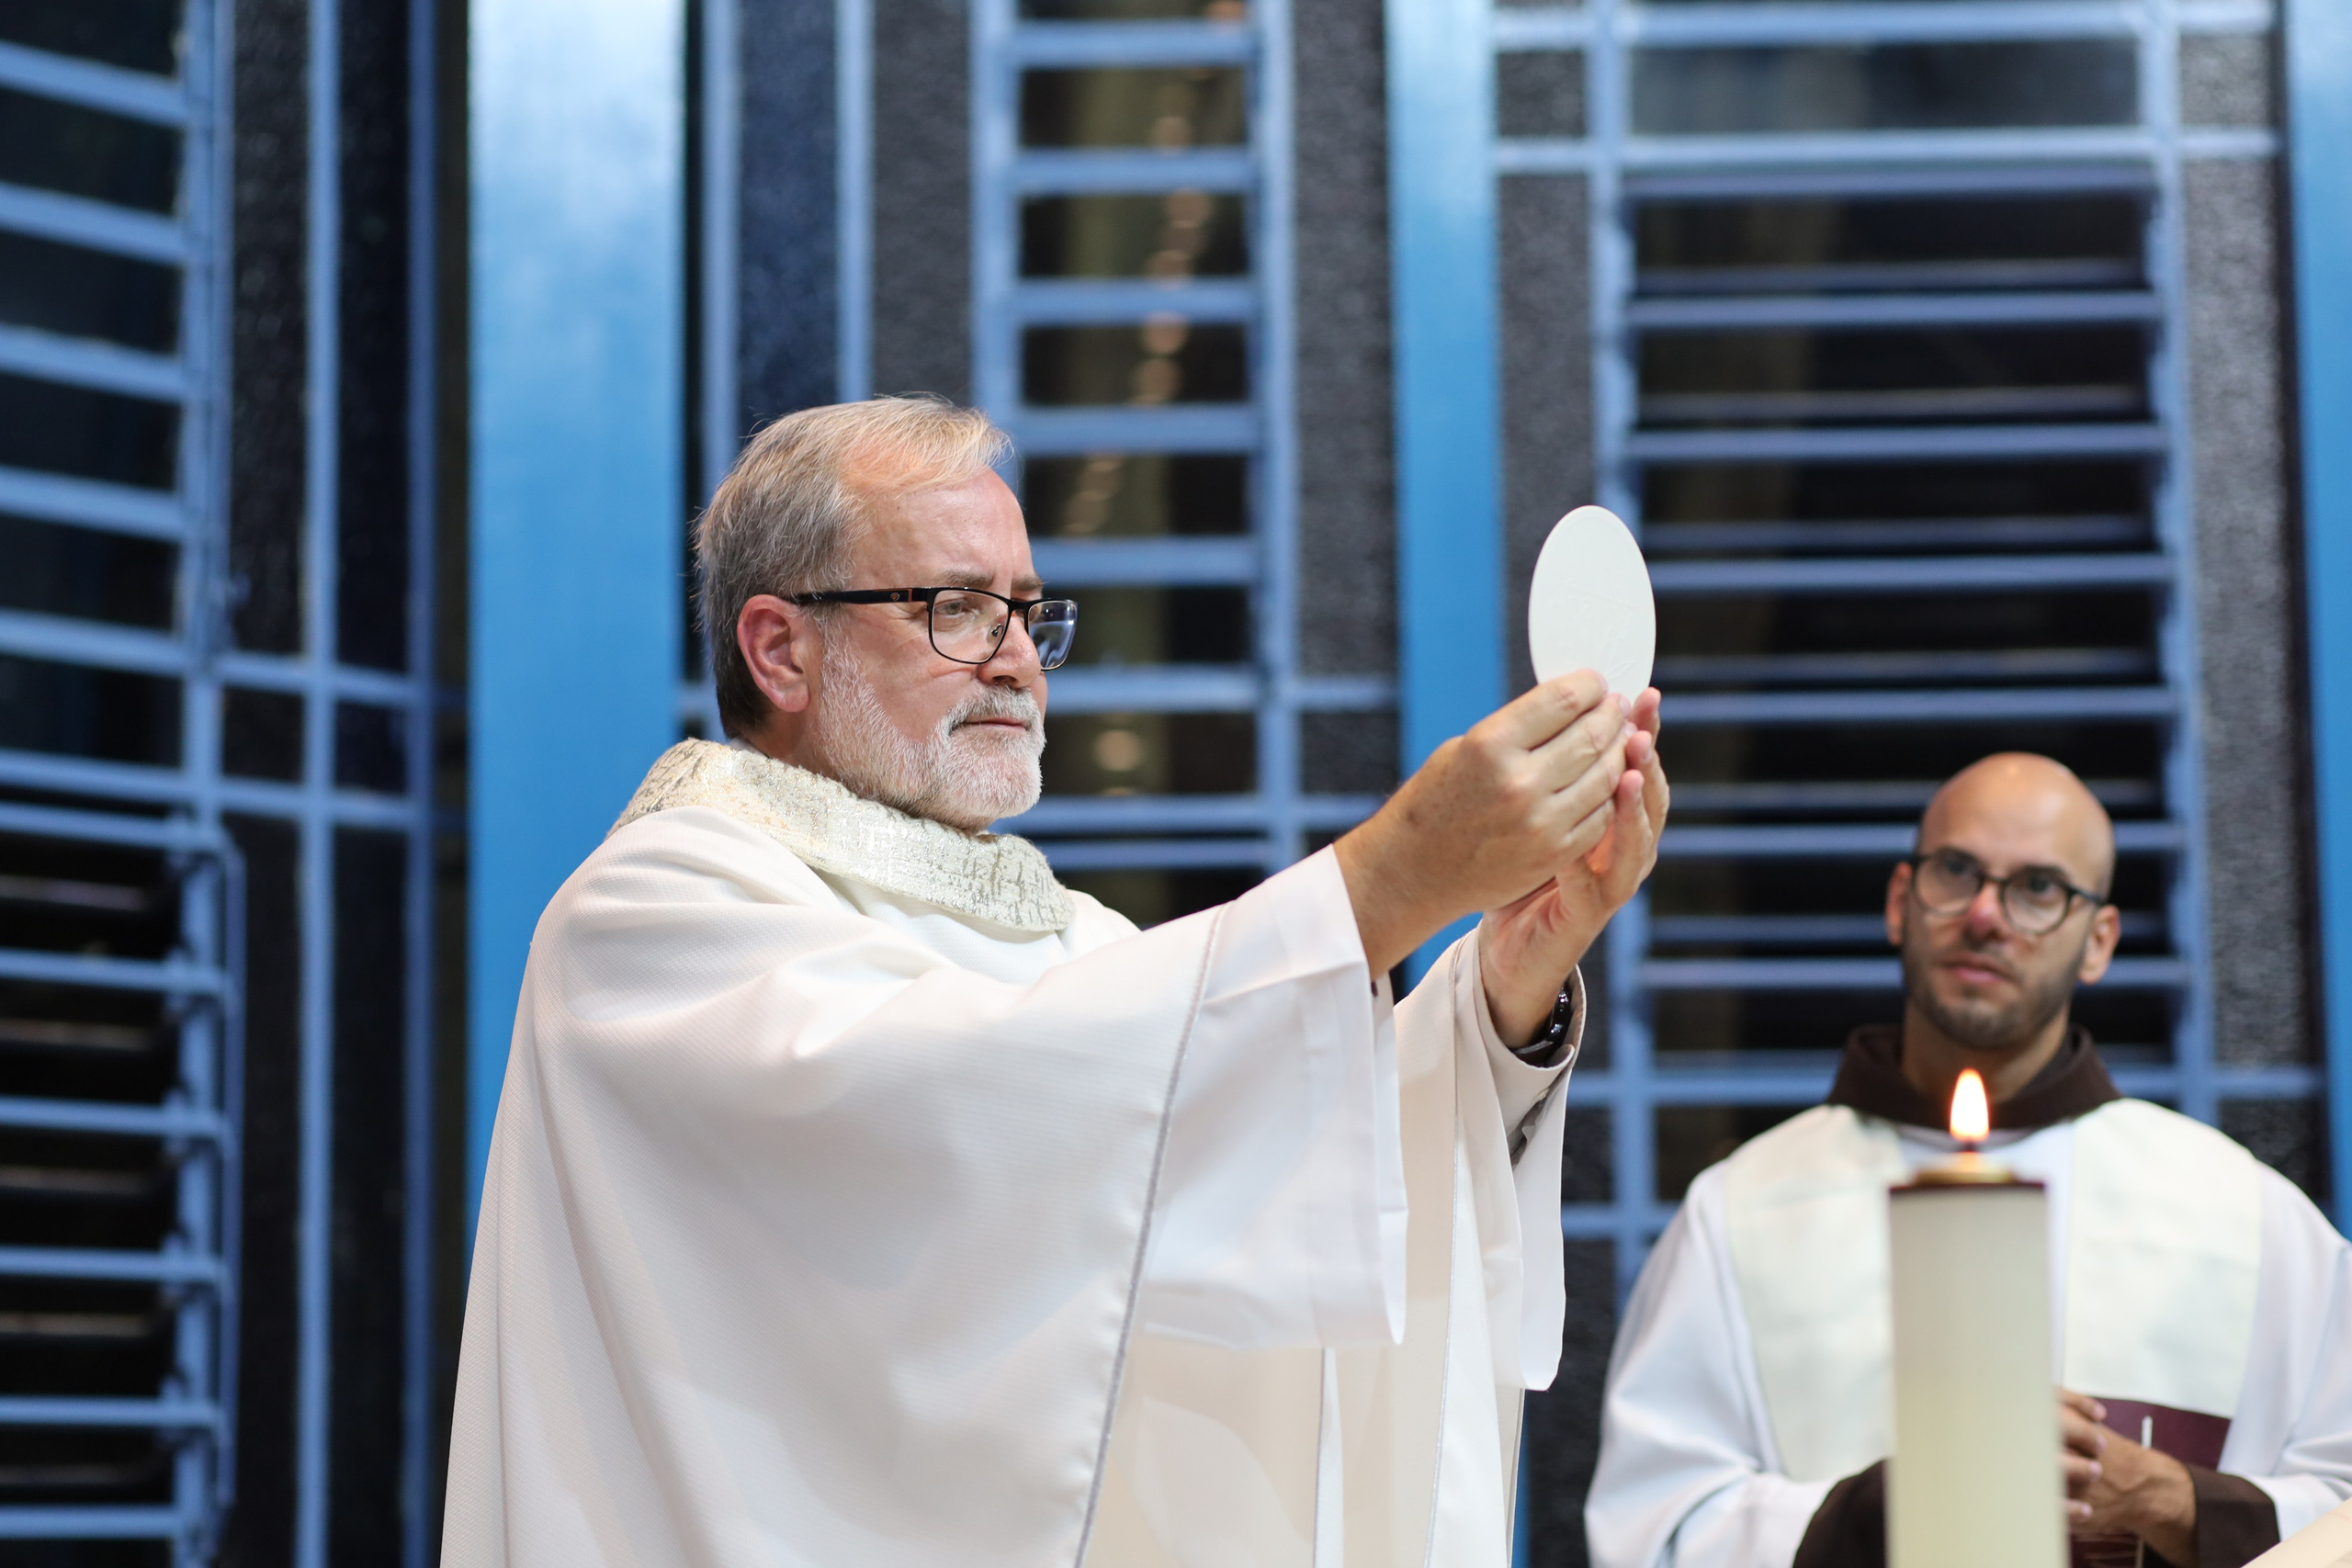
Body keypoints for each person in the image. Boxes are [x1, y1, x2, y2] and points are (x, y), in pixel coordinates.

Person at [443, 395, 1671, 1568]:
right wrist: (1383, 881)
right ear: (779, 647)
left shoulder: (1068, 941)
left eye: (1030, 613)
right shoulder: (653, 915)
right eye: (960, 608)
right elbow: (939, 1117)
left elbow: (1266, 1184)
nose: (1019, 661)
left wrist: (1501, 987)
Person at [1587, 753, 2352, 1568]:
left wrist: (2170, 1498)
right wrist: (1879, 1512)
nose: (1986, 914)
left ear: (2099, 943)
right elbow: (1655, 1530)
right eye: (1956, 871)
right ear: (1898, 901)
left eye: (2039, 888)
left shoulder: (2244, 1212)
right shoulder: (1740, 1210)